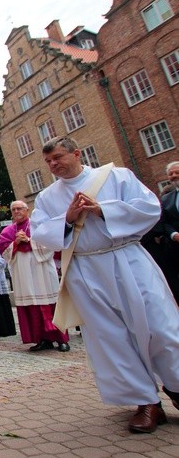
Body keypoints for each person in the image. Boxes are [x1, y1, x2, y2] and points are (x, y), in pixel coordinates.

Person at [31, 136, 179, 433]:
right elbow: (40, 231)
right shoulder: (47, 197)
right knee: (112, 337)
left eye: (58, 157)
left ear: (77, 152)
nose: (53, 165)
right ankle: (146, 402)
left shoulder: (117, 176)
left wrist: (103, 209)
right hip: (85, 268)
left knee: (160, 326)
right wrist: (68, 219)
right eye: (48, 161)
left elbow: (150, 208)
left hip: (127, 259)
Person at [0, 201, 69, 352]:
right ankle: (43, 339)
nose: (16, 211)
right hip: (23, 272)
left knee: (52, 304)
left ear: (27, 210)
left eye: (19, 209)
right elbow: (4, 252)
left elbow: (51, 244)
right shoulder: (8, 231)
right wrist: (15, 242)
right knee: (33, 306)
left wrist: (28, 240)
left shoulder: (38, 225)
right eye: (14, 209)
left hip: (41, 268)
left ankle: (62, 339)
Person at [153, 161, 179, 303]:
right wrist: (174, 234)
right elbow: (164, 222)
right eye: (171, 174)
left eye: (176, 172)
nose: (174, 176)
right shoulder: (166, 199)